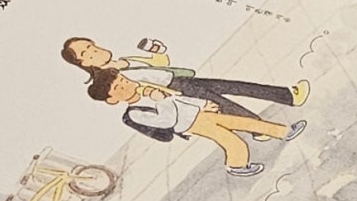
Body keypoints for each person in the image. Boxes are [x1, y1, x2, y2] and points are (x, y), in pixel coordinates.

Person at [61, 37, 311, 140]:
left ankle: (289, 96)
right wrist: (175, 98)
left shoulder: (123, 62)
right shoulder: (109, 81)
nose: (94, 51)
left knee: (234, 86)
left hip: (179, 79)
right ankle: (259, 128)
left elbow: (161, 65)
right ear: (83, 63)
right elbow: (145, 91)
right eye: (86, 53)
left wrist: (157, 51)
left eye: (91, 45)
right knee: (223, 104)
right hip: (175, 91)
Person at [88, 68, 307, 177]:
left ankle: (284, 132)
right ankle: (237, 165)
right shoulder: (135, 112)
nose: (126, 85)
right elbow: (167, 121)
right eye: (119, 87)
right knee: (230, 139)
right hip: (191, 124)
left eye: (124, 80)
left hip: (198, 113)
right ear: (112, 99)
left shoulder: (149, 91)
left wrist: (203, 104)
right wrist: (161, 100)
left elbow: (180, 98)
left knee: (241, 122)